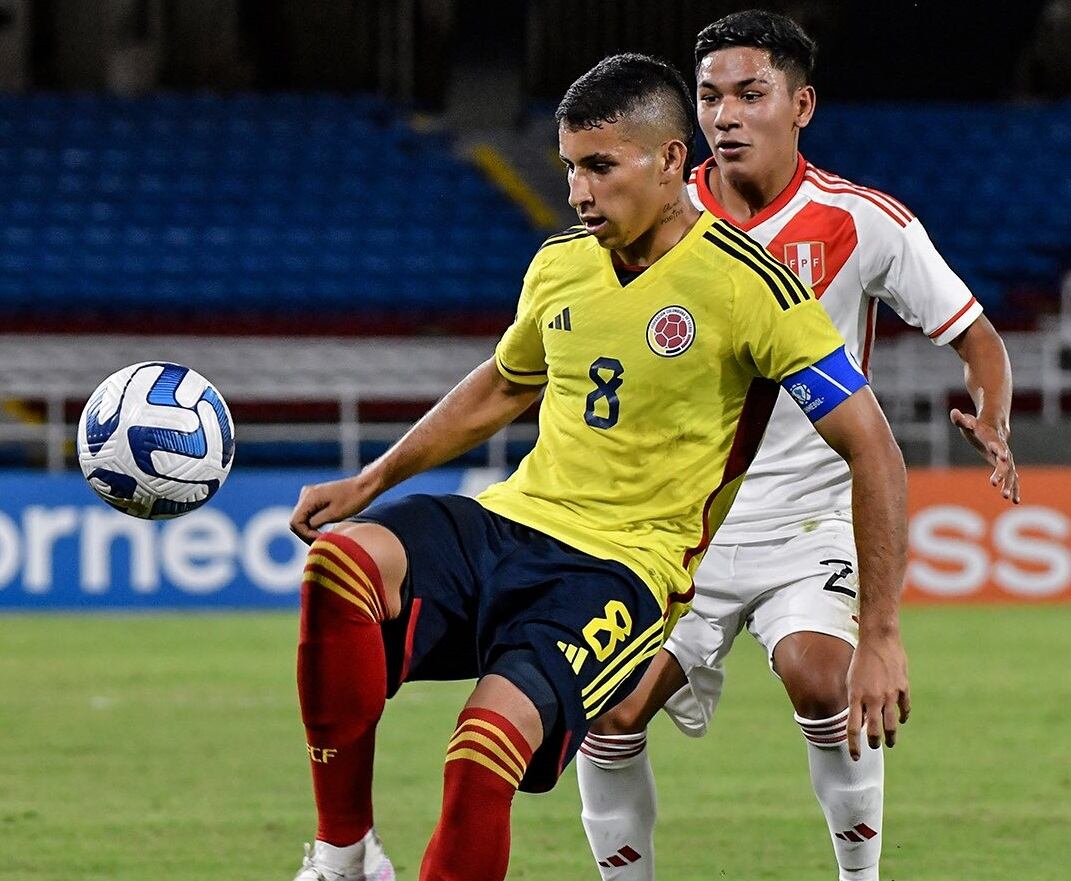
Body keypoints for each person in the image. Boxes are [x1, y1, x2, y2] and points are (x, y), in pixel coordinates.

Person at [285, 51, 908, 881]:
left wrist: (880, 635)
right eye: (571, 167)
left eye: (600, 167)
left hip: (622, 571)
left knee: (479, 755)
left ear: (670, 160)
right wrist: (372, 481)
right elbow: (508, 381)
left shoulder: (751, 287)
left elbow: (872, 446)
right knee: (340, 565)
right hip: (512, 519)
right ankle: (342, 855)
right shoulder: (560, 262)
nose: (579, 192)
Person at [577, 11, 1019, 881]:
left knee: (825, 681)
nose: (725, 115)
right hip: (678, 529)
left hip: (810, 522)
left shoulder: (860, 222)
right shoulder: (653, 220)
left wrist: (993, 415)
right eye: (708, 97)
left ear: (800, 102)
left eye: (750, 93)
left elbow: (976, 340)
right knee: (606, 714)